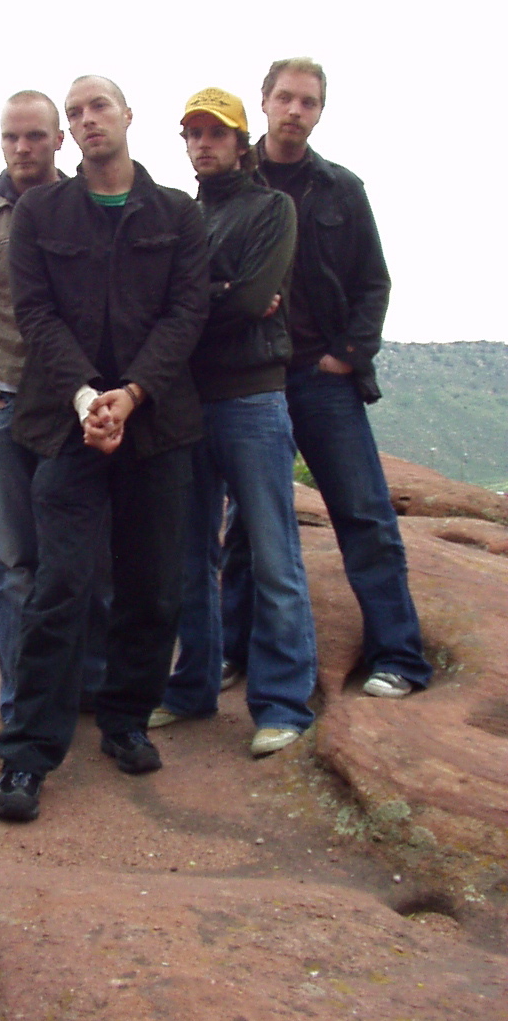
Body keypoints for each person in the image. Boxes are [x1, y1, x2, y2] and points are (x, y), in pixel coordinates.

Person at [0, 75, 209, 822]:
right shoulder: (40, 213)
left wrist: (133, 394)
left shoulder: (176, 214)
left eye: (98, 107)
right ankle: (26, 755)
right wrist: (89, 398)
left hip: (156, 425)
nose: (87, 120)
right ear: (68, 131)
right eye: (75, 112)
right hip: (68, 425)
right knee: (60, 587)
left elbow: (187, 313)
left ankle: (125, 721)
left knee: (154, 586)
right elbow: (36, 314)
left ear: (126, 117)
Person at [221, 58, 432, 699]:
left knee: (364, 514)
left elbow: (373, 281)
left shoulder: (340, 188)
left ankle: (399, 657)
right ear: (263, 102)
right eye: (284, 97)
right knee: (248, 528)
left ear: (318, 112)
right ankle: (235, 652)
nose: (294, 110)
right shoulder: (230, 180)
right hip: (254, 378)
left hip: (321, 376)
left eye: (307, 102)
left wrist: (349, 353)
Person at [148, 87, 316, 756]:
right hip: (188, 403)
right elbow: (167, 306)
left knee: (274, 555)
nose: (204, 144)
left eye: (216, 133)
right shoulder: (182, 216)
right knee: (190, 556)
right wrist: (208, 303)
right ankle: (191, 690)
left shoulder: (272, 208)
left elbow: (250, 298)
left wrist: (196, 310)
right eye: (193, 134)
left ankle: (281, 704)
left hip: (251, 399)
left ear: (240, 142)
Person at [0, 92, 107, 723]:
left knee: (88, 554)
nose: (22, 149)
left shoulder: (86, 209)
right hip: (3, 403)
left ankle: (90, 689)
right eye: (12, 138)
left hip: (75, 405)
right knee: (16, 566)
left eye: (35, 136)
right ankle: (22, 705)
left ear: (60, 139)